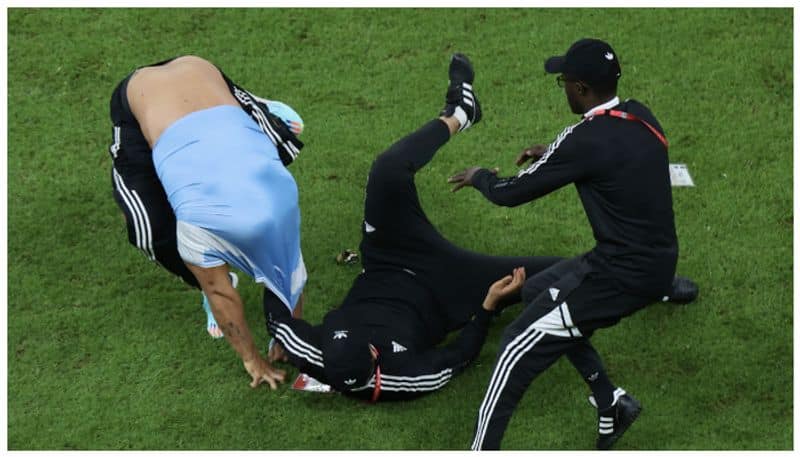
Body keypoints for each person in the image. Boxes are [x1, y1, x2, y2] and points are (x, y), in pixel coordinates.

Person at [264, 53, 695, 403]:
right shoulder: (407, 377)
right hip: (450, 290)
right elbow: (459, 355)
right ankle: (655, 283)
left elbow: (278, 317)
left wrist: (242, 263)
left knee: (388, 169)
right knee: (568, 271)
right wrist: (488, 308)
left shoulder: (314, 353)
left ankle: (459, 111)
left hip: (388, 257)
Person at [448, 39, 698, 449]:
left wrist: (479, 176)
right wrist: (553, 154)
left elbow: (510, 193)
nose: (562, 87)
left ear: (580, 89)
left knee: (513, 349)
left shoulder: (583, 140)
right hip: (657, 263)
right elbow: (616, 158)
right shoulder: (640, 114)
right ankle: (611, 403)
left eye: (564, 81)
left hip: (619, 275)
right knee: (534, 291)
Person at [107, 55, 306, 389]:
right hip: (141, 93)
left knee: (282, 149)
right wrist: (252, 360)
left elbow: (294, 283)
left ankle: (257, 112)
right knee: (150, 232)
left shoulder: (282, 207)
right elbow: (219, 291)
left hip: (202, 73)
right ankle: (259, 112)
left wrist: (288, 337)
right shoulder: (197, 228)